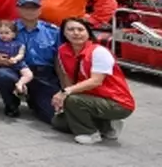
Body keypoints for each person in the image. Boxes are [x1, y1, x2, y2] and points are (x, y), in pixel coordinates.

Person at [52, 17, 135, 145]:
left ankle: (90, 133)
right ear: (64, 33)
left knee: (73, 100)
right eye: (71, 29)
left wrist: (66, 92)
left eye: (80, 29)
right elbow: (67, 77)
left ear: (88, 33)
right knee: (58, 122)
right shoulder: (63, 50)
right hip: (90, 97)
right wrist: (64, 97)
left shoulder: (99, 52)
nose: (76, 33)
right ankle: (107, 125)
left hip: (117, 102)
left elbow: (96, 81)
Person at [0, 0, 62, 121]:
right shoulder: (7, 29)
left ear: (40, 10)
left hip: (43, 75)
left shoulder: (53, 31)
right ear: (18, 9)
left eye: (33, 8)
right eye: (25, 8)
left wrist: (64, 88)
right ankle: (11, 104)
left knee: (53, 116)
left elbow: (60, 60)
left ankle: (34, 99)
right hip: (17, 70)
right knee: (4, 75)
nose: (29, 11)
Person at [0, 21, 33, 99]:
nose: (3, 35)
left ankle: (20, 83)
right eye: (1, 33)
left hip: (16, 63)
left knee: (29, 74)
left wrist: (16, 59)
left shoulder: (18, 44)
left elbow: (21, 54)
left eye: (7, 33)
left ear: (14, 34)